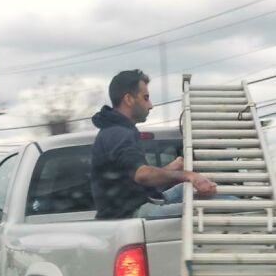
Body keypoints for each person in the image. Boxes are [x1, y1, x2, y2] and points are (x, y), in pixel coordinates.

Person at [90, 69, 217, 220]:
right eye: (146, 98)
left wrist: (172, 167)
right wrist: (189, 175)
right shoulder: (119, 134)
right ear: (129, 99)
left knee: (186, 190)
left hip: (138, 202)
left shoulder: (116, 130)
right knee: (224, 205)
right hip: (132, 213)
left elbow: (133, 177)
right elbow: (142, 175)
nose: (150, 105)